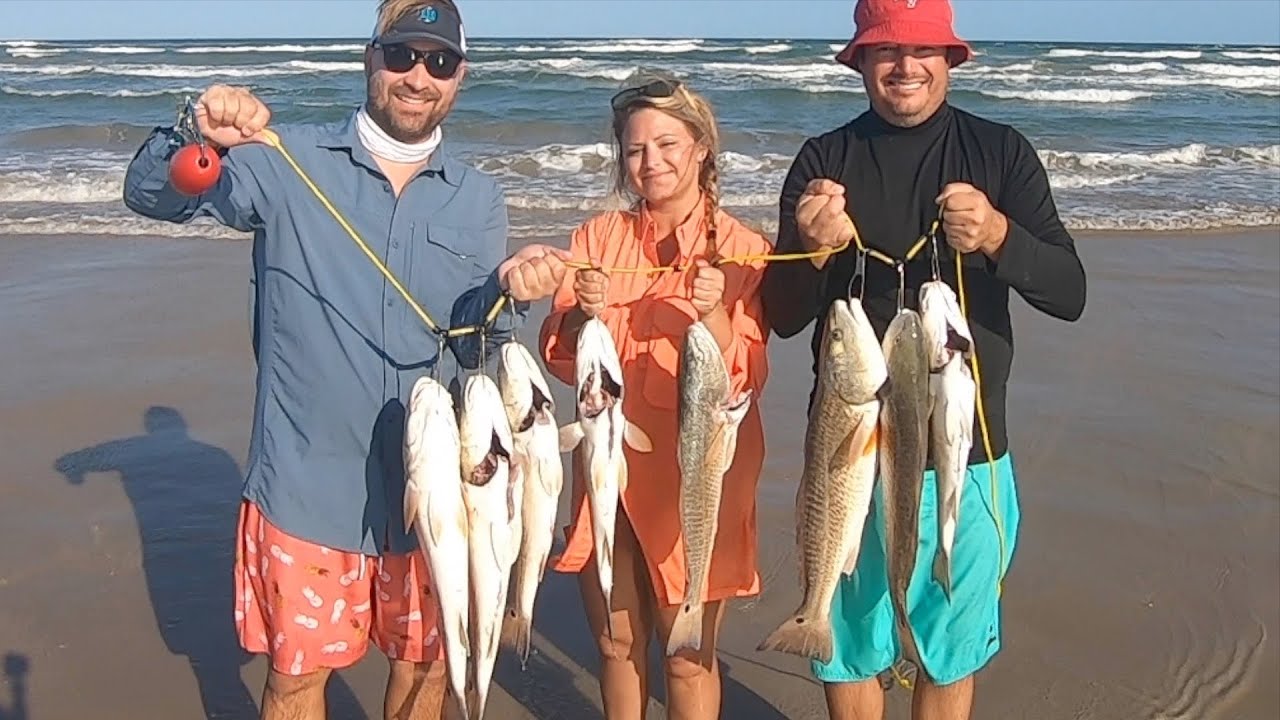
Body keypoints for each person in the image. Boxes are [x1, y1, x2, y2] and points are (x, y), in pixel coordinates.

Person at [121, 1, 567, 718]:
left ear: (460, 78)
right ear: (370, 58)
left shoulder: (479, 198)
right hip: (307, 491)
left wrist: (513, 292)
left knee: (424, 668)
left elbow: (476, 338)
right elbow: (152, 197)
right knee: (296, 682)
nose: (419, 76)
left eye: (440, 61)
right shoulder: (284, 159)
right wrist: (195, 132)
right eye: (402, 55)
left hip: (439, 497)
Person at [761, 1, 1087, 719]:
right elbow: (781, 317)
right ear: (860, 62)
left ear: (950, 59)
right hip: (847, 454)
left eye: (921, 50)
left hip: (968, 456)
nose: (904, 67)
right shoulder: (823, 160)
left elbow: (1070, 292)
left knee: (950, 646)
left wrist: (1000, 233)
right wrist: (809, 249)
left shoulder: (1001, 153)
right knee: (844, 640)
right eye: (886, 51)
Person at [520, 71, 772, 720]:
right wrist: (580, 317)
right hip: (608, 470)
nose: (650, 161)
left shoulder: (742, 248)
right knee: (615, 641)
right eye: (635, 149)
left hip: (696, 480)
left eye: (667, 144)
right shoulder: (596, 238)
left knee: (687, 656)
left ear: (702, 149)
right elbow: (560, 355)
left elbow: (744, 376)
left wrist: (713, 315)